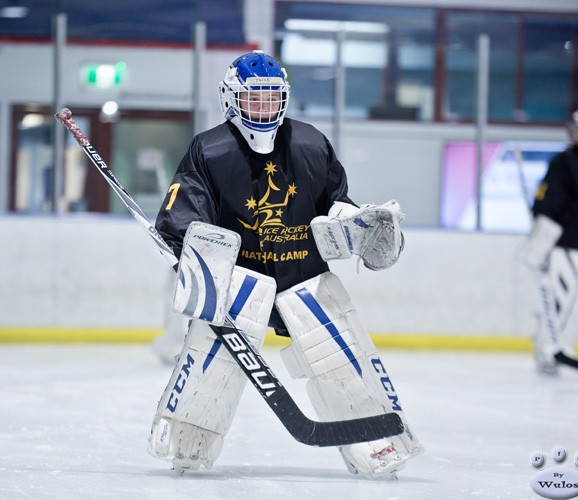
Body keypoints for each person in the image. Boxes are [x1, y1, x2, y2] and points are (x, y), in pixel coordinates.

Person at [146, 51, 423, 478]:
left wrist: (359, 227)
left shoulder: (311, 144)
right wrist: (188, 247)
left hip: (304, 277)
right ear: (230, 99)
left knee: (341, 358)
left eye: (272, 98)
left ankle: (376, 445)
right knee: (213, 358)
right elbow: (184, 214)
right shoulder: (210, 149)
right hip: (241, 283)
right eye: (254, 99)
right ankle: (188, 439)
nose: (264, 108)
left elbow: (337, 205)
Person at [518, 107, 578, 375]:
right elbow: (546, 204)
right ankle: (550, 352)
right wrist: (541, 236)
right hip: (567, 247)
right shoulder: (564, 162)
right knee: (566, 300)